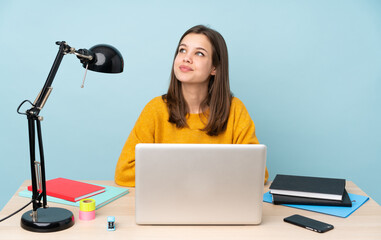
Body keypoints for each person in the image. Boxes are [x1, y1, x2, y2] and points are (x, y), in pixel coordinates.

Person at [115, 25, 269, 187]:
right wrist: (201, 173)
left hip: (216, 206)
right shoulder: (155, 109)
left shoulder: (235, 110)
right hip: (169, 205)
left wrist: (171, 171)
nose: (186, 58)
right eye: (182, 50)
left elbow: (258, 173)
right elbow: (124, 173)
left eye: (199, 53)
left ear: (214, 68)